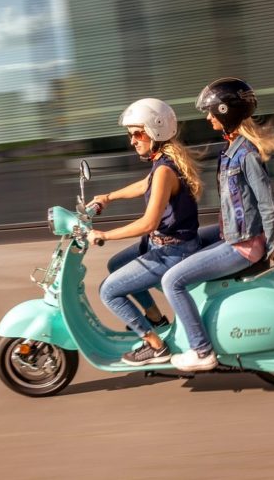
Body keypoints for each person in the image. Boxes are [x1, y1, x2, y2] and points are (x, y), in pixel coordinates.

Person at [162, 77, 274, 372]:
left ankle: (202, 350)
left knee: (171, 281)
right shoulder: (232, 150)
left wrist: (273, 246)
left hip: (243, 245)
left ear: (225, 111)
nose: (208, 118)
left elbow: (267, 204)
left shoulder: (246, 155)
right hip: (233, 235)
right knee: (186, 244)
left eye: (211, 112)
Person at [87, 98, 203, 366]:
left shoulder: (164, 170)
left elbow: (148, 223)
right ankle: (154, 318)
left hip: (173, 251)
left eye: (137, 134)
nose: (132, 141)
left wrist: (104, 235)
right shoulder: (164, 161)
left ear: (156, 130)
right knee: (116, 264)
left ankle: (155, 346)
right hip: (166, 245)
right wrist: (108, 197)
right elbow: (145, 185)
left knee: (108, 291)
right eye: (131, 135)